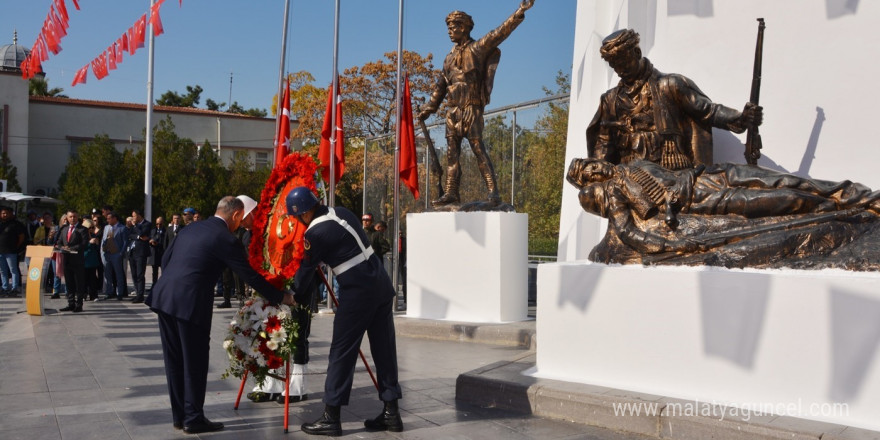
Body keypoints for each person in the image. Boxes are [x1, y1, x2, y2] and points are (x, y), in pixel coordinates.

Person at [146, 196, 296, 434]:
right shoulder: (226, 238)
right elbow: (250, 276)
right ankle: (193, 418)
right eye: (244, 217)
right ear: (236, 214)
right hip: (190, 303)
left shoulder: (192, 227)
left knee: (174, 360)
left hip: (165, 297)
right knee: (194, 361)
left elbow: (166, 258)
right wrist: (282, 297)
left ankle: (180, 416)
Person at [566, 157, 880, 254]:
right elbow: (628, 230)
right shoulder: (612, 194)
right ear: (588, 184)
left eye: (591, 163)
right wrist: (674, 245)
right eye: (588, 174)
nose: (596, 168)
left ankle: (863, 198)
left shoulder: (631, 163)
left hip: (710, 174)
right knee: (791, 200)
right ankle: (852, 213)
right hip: (708, 201)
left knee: (789, 181)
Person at [286, 186, 403, 436]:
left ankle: (331, 416)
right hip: (381, 286)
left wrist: (292, 293)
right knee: (384, 351)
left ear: (305, 212)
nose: (296, 220)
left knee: (341, 353)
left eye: (296, 216)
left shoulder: (314, 233)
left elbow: (307, 271)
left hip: (357, 292)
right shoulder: (343, 212)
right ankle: (392, 413)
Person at [587, 29, 763, 170]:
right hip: (629, 176)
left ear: (637, 52)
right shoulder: (610, 100)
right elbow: (604, 144)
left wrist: (741, 119)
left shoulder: (670, 85)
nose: (620, 69)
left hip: (670, 171)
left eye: (623, 62)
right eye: (614, 65)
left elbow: (708, 111)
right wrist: (595, 171)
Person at [418, 0, 536, 206]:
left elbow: (500, 32)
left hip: (472, 108)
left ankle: (493, 191)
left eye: (452, 27)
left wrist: (520, 12)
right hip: (452, 111)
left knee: (478, 149)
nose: (449, 31)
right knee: (451, 155)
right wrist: (429, 108)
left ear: (463, 28)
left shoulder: (478, 48)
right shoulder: (448, 59)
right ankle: (451, 192)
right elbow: (440, 86)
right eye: (448, 27)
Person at [55, 210, 89, 312]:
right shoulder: (64, 229)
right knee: (69, 283)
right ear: (67, 218)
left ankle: (79, 304)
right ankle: (71, 303)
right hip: (67, 260)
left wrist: (71, 248)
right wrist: (62, 247)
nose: (72, 218)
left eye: (74, 216)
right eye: (70, 217)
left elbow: (84, 244)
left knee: (79, 283)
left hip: (78, 260)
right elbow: (59, 242)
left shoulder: (82, 229)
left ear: (77, 217)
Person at [99, 212, 128, 301]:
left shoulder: (122, 228)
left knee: (118, 274)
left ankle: (120, 293)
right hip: (107, 254)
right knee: (107, 274)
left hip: (116, 254)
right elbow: (104, 239)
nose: (107, 220)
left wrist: (121, 253)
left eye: (109, 218)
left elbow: (125, 242)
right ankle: (109, 292)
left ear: (115, 218)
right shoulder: (106, 228)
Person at [127, 209, 152, 303]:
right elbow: (130, 235)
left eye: (134, 216)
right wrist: (138, 237)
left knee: (140, 274)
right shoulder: (135, 226)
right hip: (132, 251)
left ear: (139, 216)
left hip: (141, 253)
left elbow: (143, 233)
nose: (133, 218)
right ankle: (137, 292)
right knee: (133, 274)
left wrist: (135, 226)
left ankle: (141, 295)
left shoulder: (146, 224)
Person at [0, 206, 25, 297]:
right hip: (1, 251)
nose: (4, 215)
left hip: (11, 251)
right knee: (3, 271)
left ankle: (14, 288)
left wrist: (16, 246)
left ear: (10, 214)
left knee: (13, 270)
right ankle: (5, 287)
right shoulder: (1, 224)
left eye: (6, 213)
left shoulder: (15, 224)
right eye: (3, 213)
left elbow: (21, 237)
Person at [82, 219, 102, 301]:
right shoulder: (81, 236)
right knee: (84, 279)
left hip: (92, 260)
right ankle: (83, 294)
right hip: (84, 259)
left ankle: (93, 295)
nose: (92, 229)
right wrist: (89, 243)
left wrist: (97, 243)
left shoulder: (94, 235)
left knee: (93, 278)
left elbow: (97, 248)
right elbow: (81, 246)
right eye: (90, 227)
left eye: (93, 227)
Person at [149, 216, 167, 289]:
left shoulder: (166, 231)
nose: (158, 226)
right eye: (157, 224)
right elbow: (150, 238)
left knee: (164, 271)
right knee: (154, 272)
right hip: (154, 253)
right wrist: (151, 242)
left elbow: (165, 241)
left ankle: (163, 285)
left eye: (160, 224)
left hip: (162, 253)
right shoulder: (153, 230)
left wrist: (158, 243)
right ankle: (154, 285)